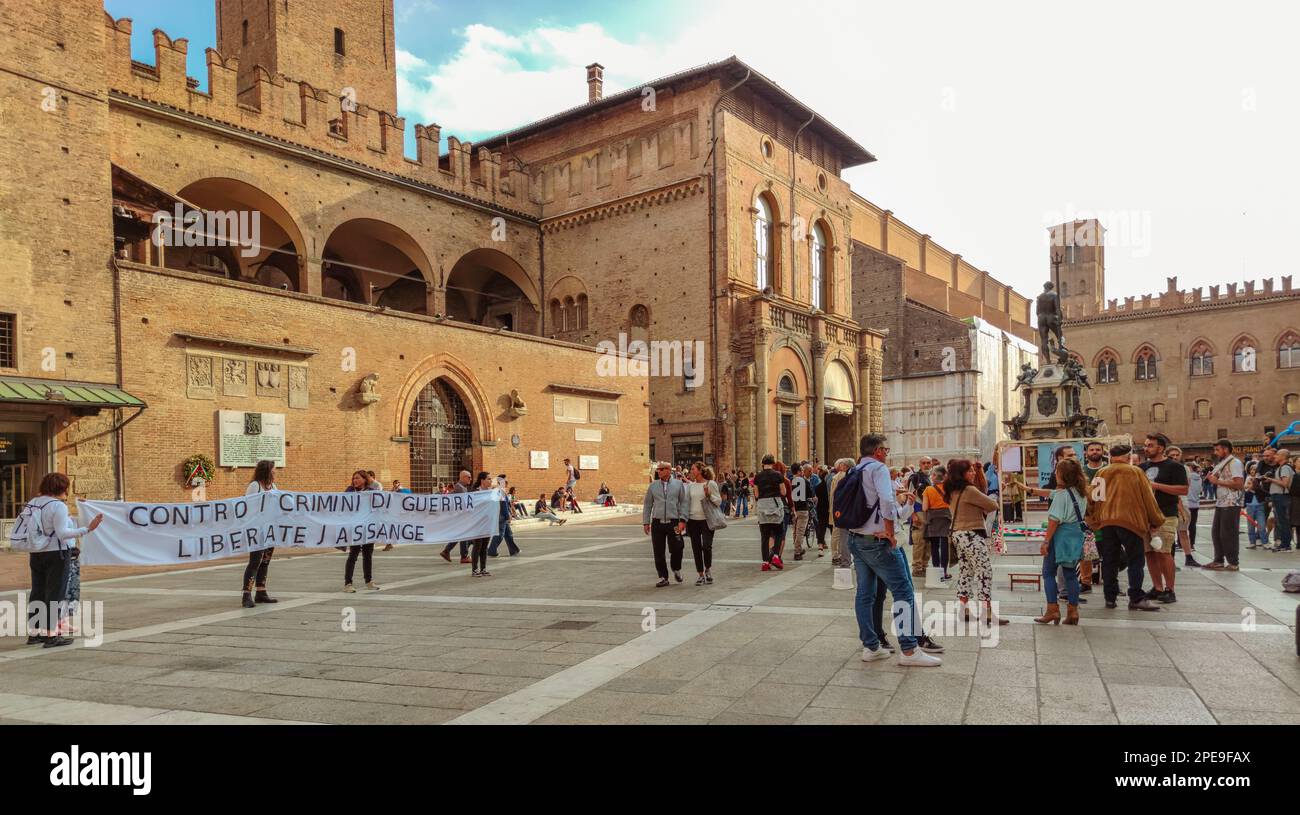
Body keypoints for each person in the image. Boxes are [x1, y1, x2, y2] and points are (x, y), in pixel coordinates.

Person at [847, 434, 942, 667]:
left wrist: (904, 507)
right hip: (878, 542)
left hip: (857, 538)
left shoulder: (855, 470)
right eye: (886, 449)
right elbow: (887, 502)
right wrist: (889, 531)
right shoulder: (878, 469)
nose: (887, 454)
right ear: (878, 451)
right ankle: (909, 649)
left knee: (865, 594)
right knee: (904, 591)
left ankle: (871, 646)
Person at [23, 472, 103, 648]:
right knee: (55, 593)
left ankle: (34, 633)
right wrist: (87, 529)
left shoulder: (33, 502)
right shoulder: (58, 506)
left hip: (36, 552)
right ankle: (51, 635)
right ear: (62, 488)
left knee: (37, 590)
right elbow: (62, 533)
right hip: (56, 553)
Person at [1085, 444, 1165, 609]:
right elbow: (1148, 498)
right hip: (1131, 521)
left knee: (1109, 561)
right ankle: (1135, 597)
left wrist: (1093, 520)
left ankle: (1110, 597)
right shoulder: (1136, 472)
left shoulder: (1102, 472)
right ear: (1128, 457)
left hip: (1106, 522)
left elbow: (1093, 497)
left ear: (1111, 457)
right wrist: (1156, 520)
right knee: (1136, 560)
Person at [946, 459, 1006, 626]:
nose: (972, 473)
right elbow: (993, 504)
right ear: (961, 473)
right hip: (971, 535)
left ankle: (963, 608)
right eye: (969, 471)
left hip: (958, 534)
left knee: (966, 572)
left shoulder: (952, 489)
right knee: (984, 571)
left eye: (973, 470)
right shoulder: (969, 490)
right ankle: (987, 612)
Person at [1035, 458, 1089, 625]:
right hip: (1074, 535)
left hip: (1060, 535)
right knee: (1071, 574)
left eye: (1056, 471)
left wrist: (1045, 542)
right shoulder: (1081, 493)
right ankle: (1073, 612)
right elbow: (1051, 494)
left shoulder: (1061, 496)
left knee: (1048, 572)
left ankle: (1052, 610)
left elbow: (1054, 520)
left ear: (1061, 475)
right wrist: (1029, 489)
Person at [1140, 433, 1188, 603]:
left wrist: (1156, 486)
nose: (1146, 448)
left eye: (1150, 445)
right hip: (1145, 516)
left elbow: (1183, 489)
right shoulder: (1141, 467)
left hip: (1165, 515)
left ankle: (1170, 589)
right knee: (1150, 553)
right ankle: (1157, 587)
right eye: (1145, 445)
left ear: (1160, 448)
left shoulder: (1174, 467)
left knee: (1164, 552)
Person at [241, 460, 280, 609]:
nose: (275, 472)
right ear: (267, 471)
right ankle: (246, 594)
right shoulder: (255, 486)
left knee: (265, 561)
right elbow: (247, 506)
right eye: (273, 470)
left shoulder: (273, 486)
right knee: (255, 561)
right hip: (257, 530)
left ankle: (261, 592)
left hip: (269, 530)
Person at [642, 461, 688, 586]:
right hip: (657, 522)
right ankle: (663, 577)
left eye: (661, 469)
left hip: (674, 522)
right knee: (658, 550)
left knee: (678, 547)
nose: (659, 471)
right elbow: (647, 504)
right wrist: (646, 522)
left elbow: (684, 503)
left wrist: (683, 520)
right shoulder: (653, 486)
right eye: (658, 470)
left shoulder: (679, 484)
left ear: (668, 470)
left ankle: (676, 568)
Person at [1203, 439, 1246, 571]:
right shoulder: (1222, 463)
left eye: (1218, 450)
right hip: (1222, 502)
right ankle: (1218, 560)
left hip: (1232, 501)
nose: (1215, 452)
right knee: (1217, 532)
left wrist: (1217, 481)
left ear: (1225, 449)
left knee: (1228, 533)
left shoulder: (1235, 463)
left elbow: (1239, 484)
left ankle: (1233, 562)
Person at [341, 470, 381, 593]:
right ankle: (348, 583)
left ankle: (368, 581)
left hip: (368, 528)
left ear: (365, 480)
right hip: (355, 528)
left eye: (358, 478)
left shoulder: (371, 492)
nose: (355, 481)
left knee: (368, 555)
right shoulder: (349, 491)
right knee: (353, 555)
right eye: (354, 478)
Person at [685, 462, 721, 585]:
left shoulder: (710, 483)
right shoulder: (690, 486)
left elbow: (719, 502)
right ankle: (700, 574)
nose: (691, 471)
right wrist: (683, 520)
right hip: (692, 520)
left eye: (693, 469)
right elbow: (686, 503)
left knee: (706, 546)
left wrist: (709, 495)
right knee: (696, 548)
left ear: (700, 470)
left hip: (707, 520)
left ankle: (708, 569)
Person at [753, 454, 788, 570]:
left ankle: (765, 563)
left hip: (762, 506)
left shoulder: (757, 477)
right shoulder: (778, 475)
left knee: (765, 536)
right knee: (779, 532)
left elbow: (756, 494)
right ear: (773, 463)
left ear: (763, 463)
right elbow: (783, 492)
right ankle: (776, 556)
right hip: (775, 506)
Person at [1168, 446, 1201, 568]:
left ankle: (1188, 557)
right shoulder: (1166, 468)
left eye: (1177, 454)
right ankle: (1170, 560)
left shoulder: (1185, 468)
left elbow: (1186, 487)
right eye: (1172, 455)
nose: (1175, 457)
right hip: (1171, 502)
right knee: (1169, 533)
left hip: (1183, 501)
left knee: (1183, 531)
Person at [922, 465, 952, 581]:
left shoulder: (928, 490)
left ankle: (936, 571)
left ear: (935, 476)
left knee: (934, 546)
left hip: (933, 518)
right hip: (946, 517)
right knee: (945, 545)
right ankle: (944, 572)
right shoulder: (949, 488)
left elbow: (925, 507)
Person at [1262, 448, 1293, 551]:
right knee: (1280, 521)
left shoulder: (1284, 468)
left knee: (1283, 521)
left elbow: (1285, 484)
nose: (1275, 456)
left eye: (1277, 455)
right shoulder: (1281, 467)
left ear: (1283, 456)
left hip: (1282, 497)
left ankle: (1286, 544)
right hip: (1278, 497)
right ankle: (1284, 544)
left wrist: (1270, 480)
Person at [440, 470, 473, 563]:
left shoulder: (462, 487)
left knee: (461, 535)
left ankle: (446, 551)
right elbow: (462, 503)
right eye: (468, 477)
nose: (470, 479)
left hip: (460, 515)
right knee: (464, 535)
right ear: (462, 477)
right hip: (460, 516)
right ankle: (464, 556)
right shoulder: (460, 488)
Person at [829, 458, 855, 567]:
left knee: (839, 534)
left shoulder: (837, 477)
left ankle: (838, 556)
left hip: (839, 510)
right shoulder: (845, 477)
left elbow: (833, 496)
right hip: (845, 510)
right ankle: (840, 556)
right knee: (844, 535)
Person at [467, 472, 494, 576]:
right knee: (477, 546)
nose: (490, 481)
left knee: (484, 546)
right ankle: (475, 569)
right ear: (482, 480)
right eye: (488, 479)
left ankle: (483, 568)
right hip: (477, 523)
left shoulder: (491, 492)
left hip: (487, 522)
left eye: (490, 479)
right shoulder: (475, 491)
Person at [489, 478, 520, 557]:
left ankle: (514, 550)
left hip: (501, 515)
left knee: (508, 534)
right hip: (502, 516)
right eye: (505, 484)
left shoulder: (498, 492)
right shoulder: (501, 492)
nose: (506, 485)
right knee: (500, 535)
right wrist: (507, 515)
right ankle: (491, 550)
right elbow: (503, 505)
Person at [791, 463, 812, 560]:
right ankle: (797, 551)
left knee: (795, 530)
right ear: (799, 471)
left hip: (794, 508)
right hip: (803, 508)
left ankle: (797, 547)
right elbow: (810, 495)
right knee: (800, 531)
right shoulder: (804, 481)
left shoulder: (790, 481)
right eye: (802, 470)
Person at [814, 465, 831, 554]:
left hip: (821, 509)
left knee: (821, 528)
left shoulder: (818, 487)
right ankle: (834, 549)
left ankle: (820, 546)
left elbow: (817, 498)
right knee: (832, 528)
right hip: (830, 509)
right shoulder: (830, 486)